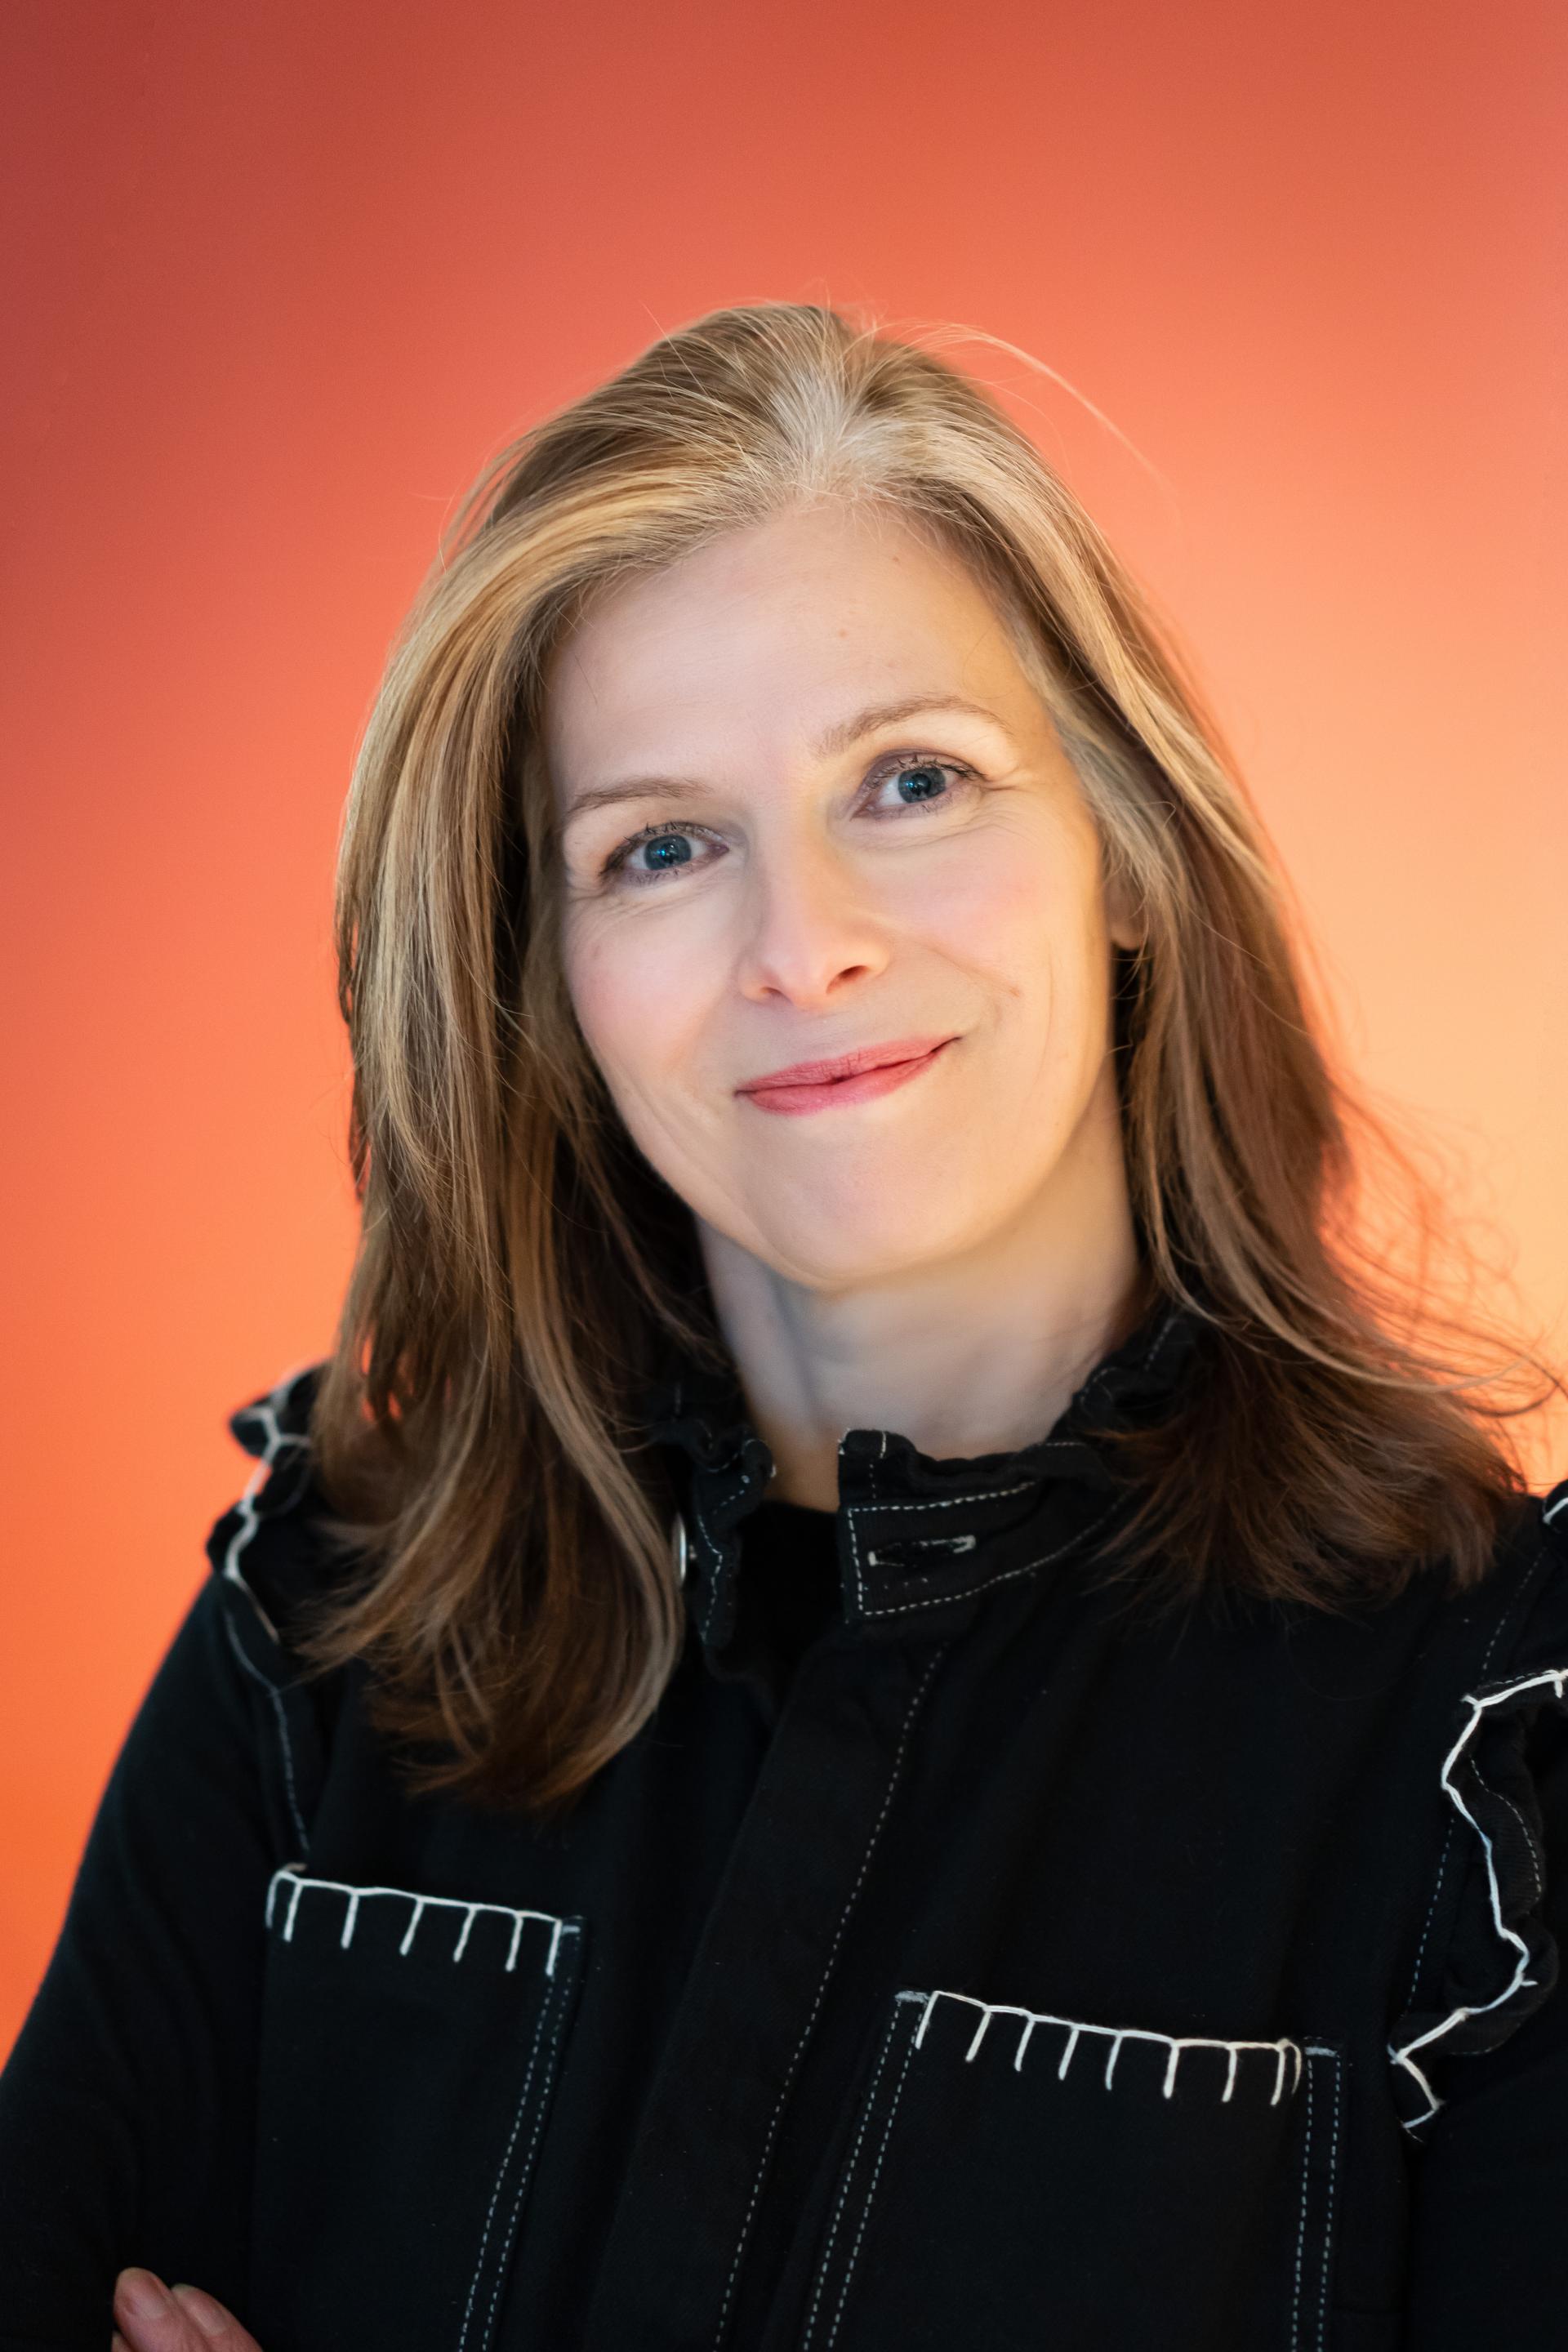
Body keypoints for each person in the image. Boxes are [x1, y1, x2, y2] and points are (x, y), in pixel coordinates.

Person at [1, 302, 1564, 2352]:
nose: (803, 944)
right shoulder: (324, 1630)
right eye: (658, 846)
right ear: (547, 978)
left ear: (1129, 855)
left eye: (913, 780)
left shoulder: (1492, 1745)